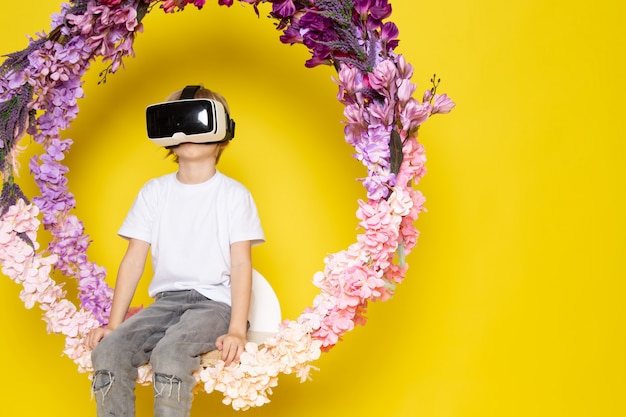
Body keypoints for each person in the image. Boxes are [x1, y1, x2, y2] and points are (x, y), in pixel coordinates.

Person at [86, 85, 265, 417]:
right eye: (176, 121)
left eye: (197, 120)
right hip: (166, 301)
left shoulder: (234, 195)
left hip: (214, 304)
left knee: (169, 353)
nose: (186, 131)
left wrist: (237, 329)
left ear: (223, 132)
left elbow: (241, 265)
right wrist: (113, 325)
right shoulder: (154, 192)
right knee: (108, 352)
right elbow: (133, 260)